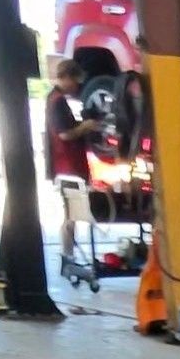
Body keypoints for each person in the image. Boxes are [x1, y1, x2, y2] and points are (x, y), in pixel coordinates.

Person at [44, 61, 100, 261]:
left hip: (64, 167)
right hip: (68, 167)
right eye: (75, 81)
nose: (77, 86)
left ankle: (68, 256)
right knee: (71, 216)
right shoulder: (57, 101)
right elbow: (65, 135)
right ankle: (67, 256)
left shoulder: (53, 98)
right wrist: (85, 127)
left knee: (71, 215)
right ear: (66, 77)